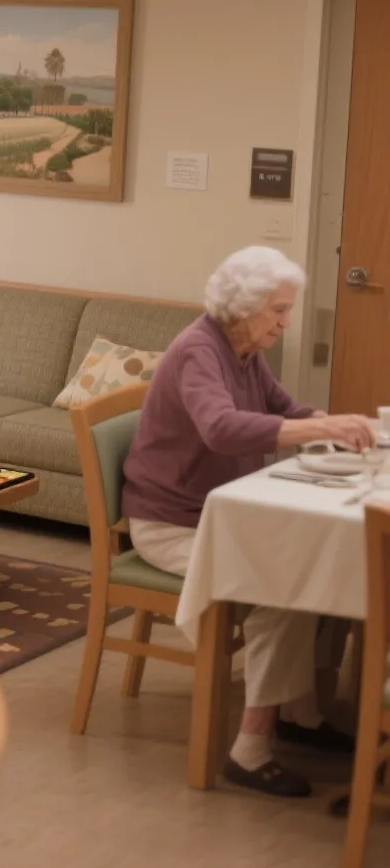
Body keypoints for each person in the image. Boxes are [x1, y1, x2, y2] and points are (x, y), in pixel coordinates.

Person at [121, 245, 377, 798]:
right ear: (241, 307)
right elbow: (219, 428)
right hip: (170, 522)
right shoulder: (199, 350)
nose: (286, 322)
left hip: (219, 511)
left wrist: (337, 423)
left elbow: (283, 411)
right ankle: (250, 749)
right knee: (280, 588)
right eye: (278, 312)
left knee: (311, 566)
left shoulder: (243, 351)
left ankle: (298, 716)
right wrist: (314, 432)